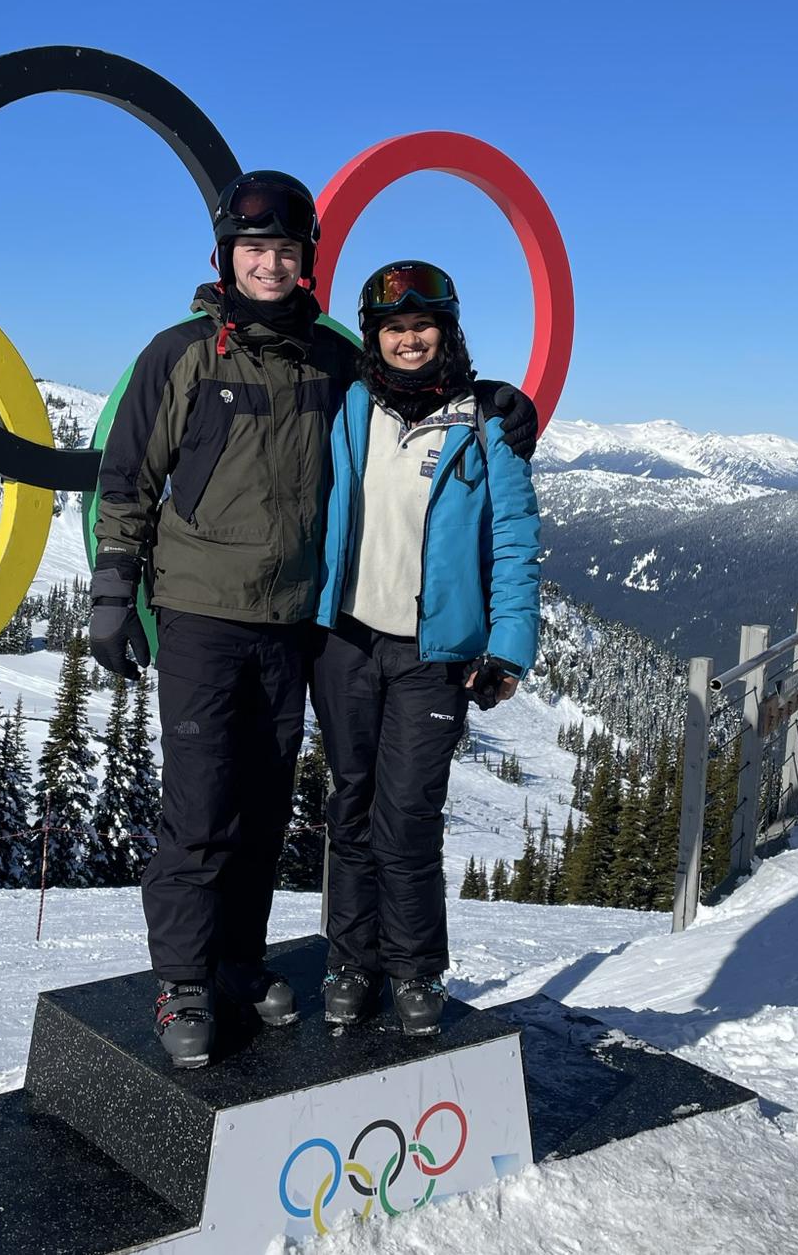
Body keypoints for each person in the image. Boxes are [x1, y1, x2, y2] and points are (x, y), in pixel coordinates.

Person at [88, 174, 539, 1068]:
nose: (269, 264)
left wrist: (500, 402)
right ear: (227, 256)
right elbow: (128, 477)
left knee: (264, 809)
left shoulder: (333, 359)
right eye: (253, 249)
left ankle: (238, 962)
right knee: (200, 806)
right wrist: (112, 592)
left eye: (285, 251)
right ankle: (183, 982)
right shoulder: (180, 354)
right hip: (202, 616)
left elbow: (415, 390)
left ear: (307, 263)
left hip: (296, 622)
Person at [310, 260, 541, 1036]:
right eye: (394, 329)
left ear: (447, 332)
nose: (409, 340)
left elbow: (515, 540)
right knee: (351, 805)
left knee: (407, 814)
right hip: (345, 640)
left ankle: (414, 967)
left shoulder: (486, 424)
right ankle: (350, 961)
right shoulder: (347, 406)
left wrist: (507, 648)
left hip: (431, 655)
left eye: (423, 326)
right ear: (373, 337)